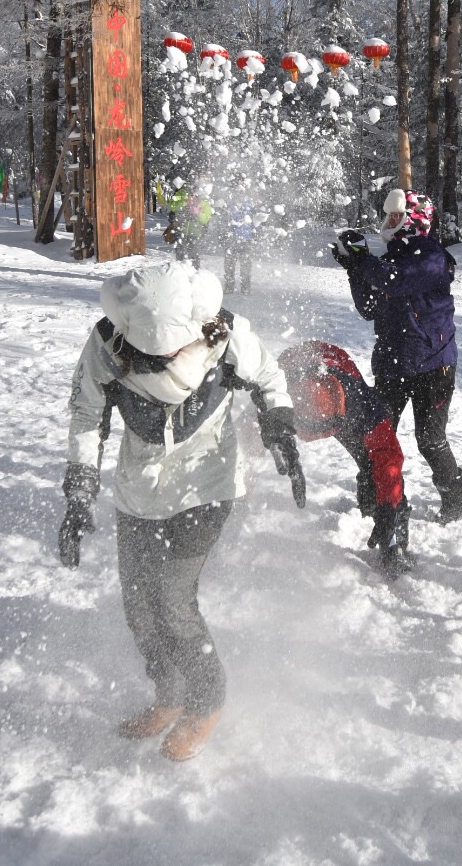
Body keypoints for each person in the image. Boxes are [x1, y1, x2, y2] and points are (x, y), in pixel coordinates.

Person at [56, 261, 302, 762]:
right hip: (139, 489)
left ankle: (207, 703)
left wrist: (280, 428)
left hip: (208, 484)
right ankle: (168, 696)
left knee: (172, 599)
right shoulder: (106, 345)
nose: (163, 355)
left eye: (171, 347)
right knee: (139, 605)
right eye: (152, 348)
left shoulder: (225, 337)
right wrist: (80, 490)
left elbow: (270, 376)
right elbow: (86, 414)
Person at [331, 189, 462, 524]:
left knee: (430, 440)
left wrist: (364, 261)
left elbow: (396, 280)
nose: (390, 222)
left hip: (434, 365)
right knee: (375, 434)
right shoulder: (388, 259)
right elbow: (370, 307)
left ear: (414, 219)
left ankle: (454, 498)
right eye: (388, 216)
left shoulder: (431, 255)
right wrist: (354, 267)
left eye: (397, 216)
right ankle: (372, 502)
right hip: (392, 364)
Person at [278, 340, 412, 576]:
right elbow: (245, 445)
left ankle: (394, 544)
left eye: (329, 428)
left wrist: (388, 510)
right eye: (316, 430)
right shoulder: (278, 398)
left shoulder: (363, 405)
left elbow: (388, 459)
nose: (323, 436)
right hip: (297, 370)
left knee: (374, 467)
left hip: (337, 370)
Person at [224, 199, 257, 294]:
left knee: (245, 266)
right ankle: (229, 287)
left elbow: (257, 221)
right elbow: (225, 220)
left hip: (247, 240)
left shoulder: (251, 203)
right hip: (232, 239)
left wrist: (255, 235)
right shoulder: (230, 202)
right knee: (229, 265)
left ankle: (245, 288)